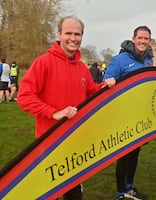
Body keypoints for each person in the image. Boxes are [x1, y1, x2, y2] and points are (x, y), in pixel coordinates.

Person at [17, 16, 114, 200]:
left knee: (74, 193)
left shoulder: (81, 67)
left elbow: (90, 93)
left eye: (77, 34)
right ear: (59, 35)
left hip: (75, 142)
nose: (73, 38)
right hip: (50, 143)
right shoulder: (44, 62)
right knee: (49, 192)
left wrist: (104, 86)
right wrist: (53, 113)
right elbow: (24, 96)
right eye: (68, 33)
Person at [103, 25, 153, 200]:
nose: (143, 41)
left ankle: (129, 187)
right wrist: (108, 82)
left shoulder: (148, 61)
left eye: (146, 39)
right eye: (140, 38)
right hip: (122, 116)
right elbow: (106, 82)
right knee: (123, 155)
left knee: (135, 153)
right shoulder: (120, 59)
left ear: (149, 41)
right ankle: (120, 193)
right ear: (133, 39)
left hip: (139, 116)